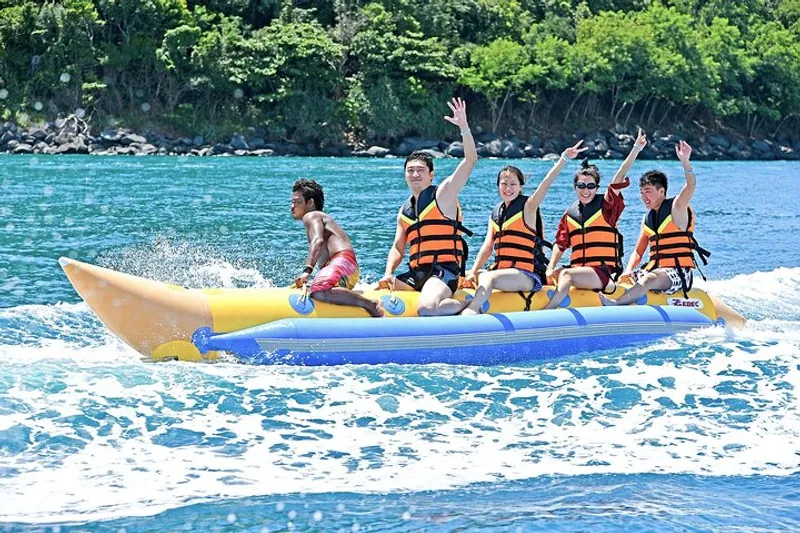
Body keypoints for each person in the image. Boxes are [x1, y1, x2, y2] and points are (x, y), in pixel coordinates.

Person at [461, 140, 587, 315]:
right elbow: (487, 247)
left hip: (525, 275)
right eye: (504, 184)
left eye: (513, 184)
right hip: (502, 271)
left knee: (486, 276)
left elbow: (546, 183)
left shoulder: (528, 207)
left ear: (520, 186)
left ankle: (472, 310)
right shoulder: (496, 213)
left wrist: (563, 158)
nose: (508, 188)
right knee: (471, 274)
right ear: (498, 186)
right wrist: (473, 271)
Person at [378, 97, 477, 316]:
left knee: (426, 308)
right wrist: (388, 273)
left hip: (444, 272)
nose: (415, 174)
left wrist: (464, 127)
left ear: (431, 175)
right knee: (378, 295)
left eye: (420, 170)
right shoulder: (405, 211)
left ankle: (469, 303)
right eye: (410, 170)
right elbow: (398, 248)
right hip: (418, 273)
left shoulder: (443, 194)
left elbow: (470, 161)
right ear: (405, 175)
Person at [543, 129, 647, 309]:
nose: (586, 190)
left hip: (601, 273)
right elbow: (560, 245)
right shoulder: (570, 215)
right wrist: (550, 267)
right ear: (575, 187)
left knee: (566, 275)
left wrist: (636, 148)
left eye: (591, 186)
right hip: (579, 271)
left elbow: (619, 176)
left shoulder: (606, 207)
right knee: (553, 274)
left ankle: (547, 311)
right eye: (581, 185)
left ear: (597, 187)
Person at [600, 140, 710, 305]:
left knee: (648, 279)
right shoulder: (647, 219)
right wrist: (628, 271)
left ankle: (616, 304)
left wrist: (685, 162)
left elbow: (691, 185)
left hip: (679, 273)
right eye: (641, 192)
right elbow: (638, 252)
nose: (644, 197)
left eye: (648, 192)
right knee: (621, 280)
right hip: (655, 270)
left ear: (661, 191)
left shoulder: (677, 208)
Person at [291, 179, 383, 317]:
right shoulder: (319, 218)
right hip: (347, 270)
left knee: (319, 290)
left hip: (342, 262)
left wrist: (307, 271)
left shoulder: (311, 216)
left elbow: (317, 241)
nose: (292, 206)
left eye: (296, 202)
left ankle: (371, 305)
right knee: (318, 288)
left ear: (310, 203)